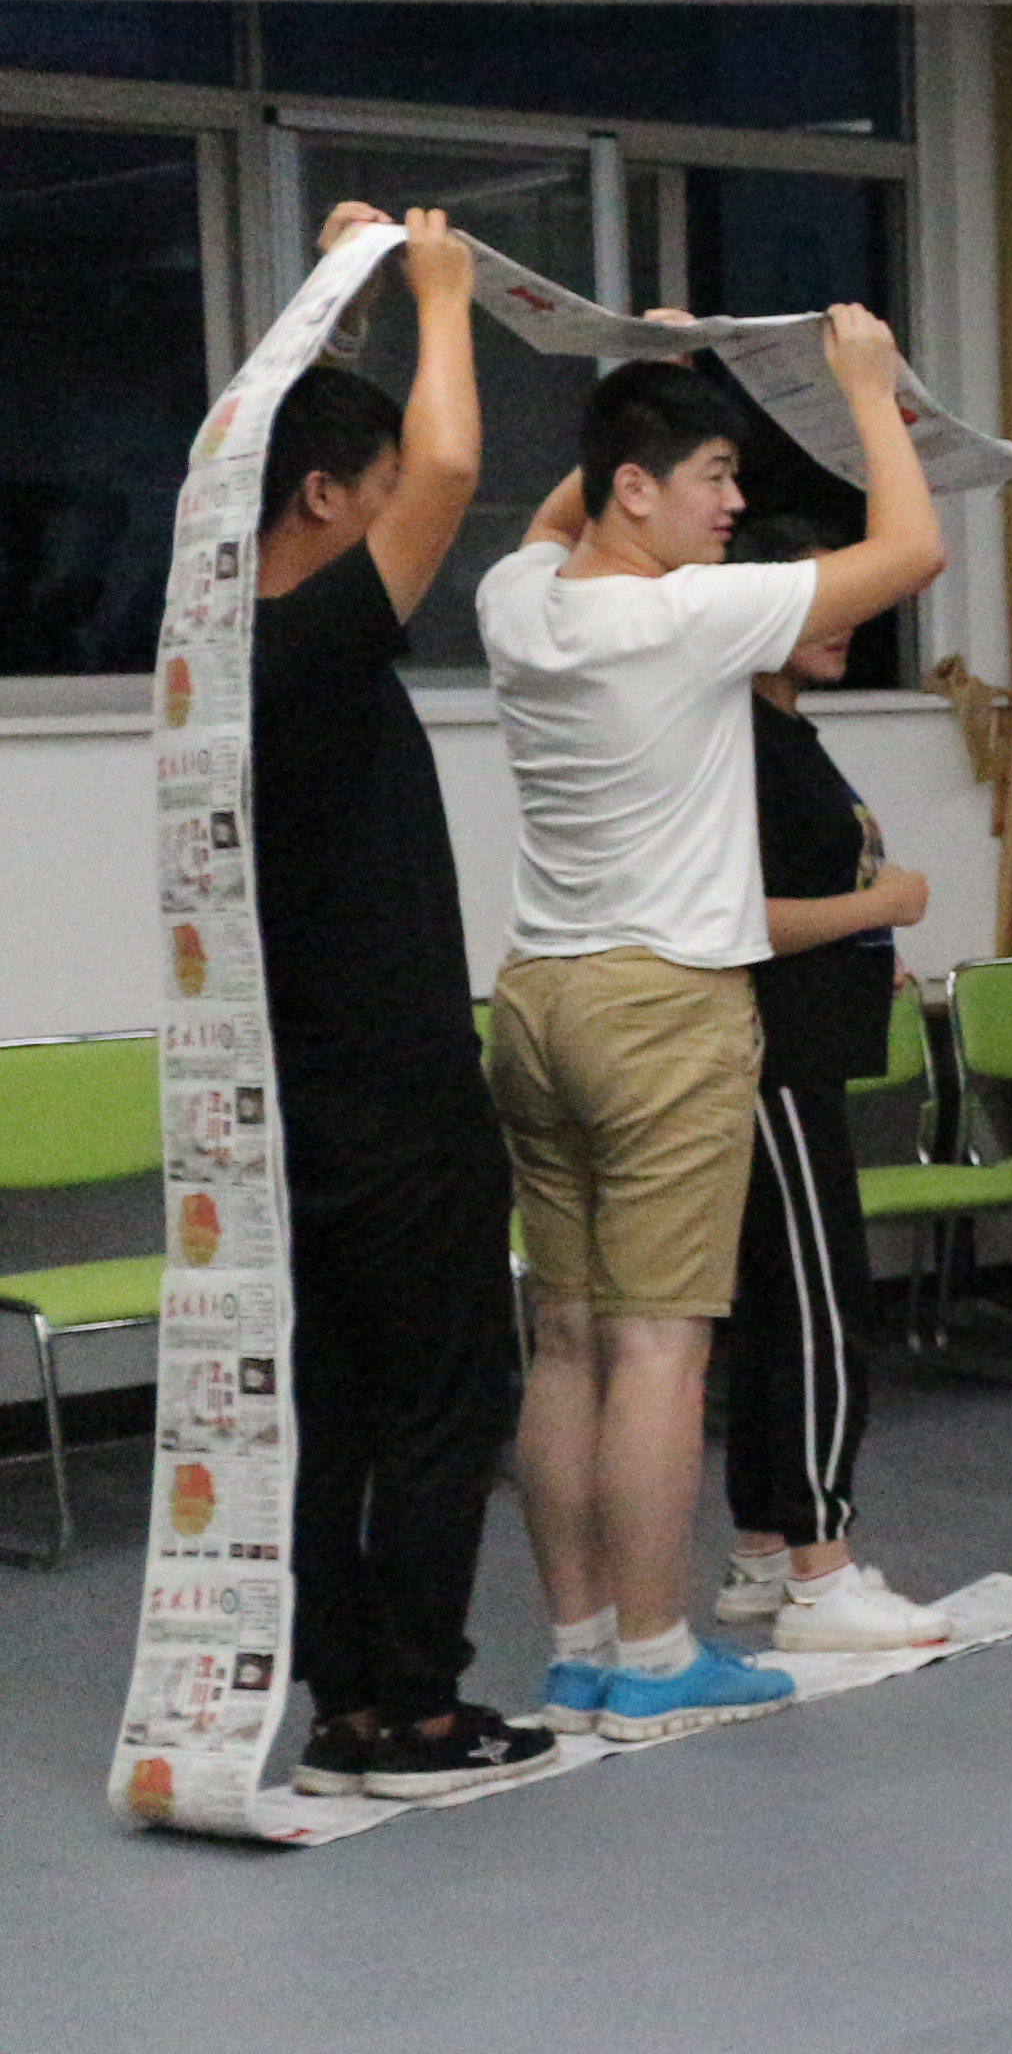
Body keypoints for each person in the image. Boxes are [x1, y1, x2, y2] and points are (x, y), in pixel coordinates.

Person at [480, 312, 943, 1744]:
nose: (735, 504)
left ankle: (577, 1653)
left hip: (537, 996)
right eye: (714, 476)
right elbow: (912, 549)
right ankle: (655, 1653)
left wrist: (658, 388)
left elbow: (561, 508)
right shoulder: (687, 616)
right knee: (658, 1349)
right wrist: (863, 391)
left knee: (567, 1339)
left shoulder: (518, 597)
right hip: (661, 1006)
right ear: (637, 491)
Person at [254, 208, 553, 1800]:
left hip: (304, 1101)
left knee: (343, 1410)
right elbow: (445, 465)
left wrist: (338, 307)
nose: (398, 511)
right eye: (365, 494)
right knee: (441, 1402)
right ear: (323, 497)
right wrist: (443, 293)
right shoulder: (305, 644)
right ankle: (419, 1710)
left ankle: (349, 1706)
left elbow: (319, 444)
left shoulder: (221, 638)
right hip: (395, 1098)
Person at [713, 566, 955, 1653]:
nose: (847, 620)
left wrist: (867, 945)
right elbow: (738, 912)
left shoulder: (788, 735)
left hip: (805, 1047)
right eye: (819, 604)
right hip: (771, 1056)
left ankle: (765, 1547)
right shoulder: (740, 742)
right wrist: (880, 905)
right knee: (817, 1302)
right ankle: (821, 1565)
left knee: (780, 1303)